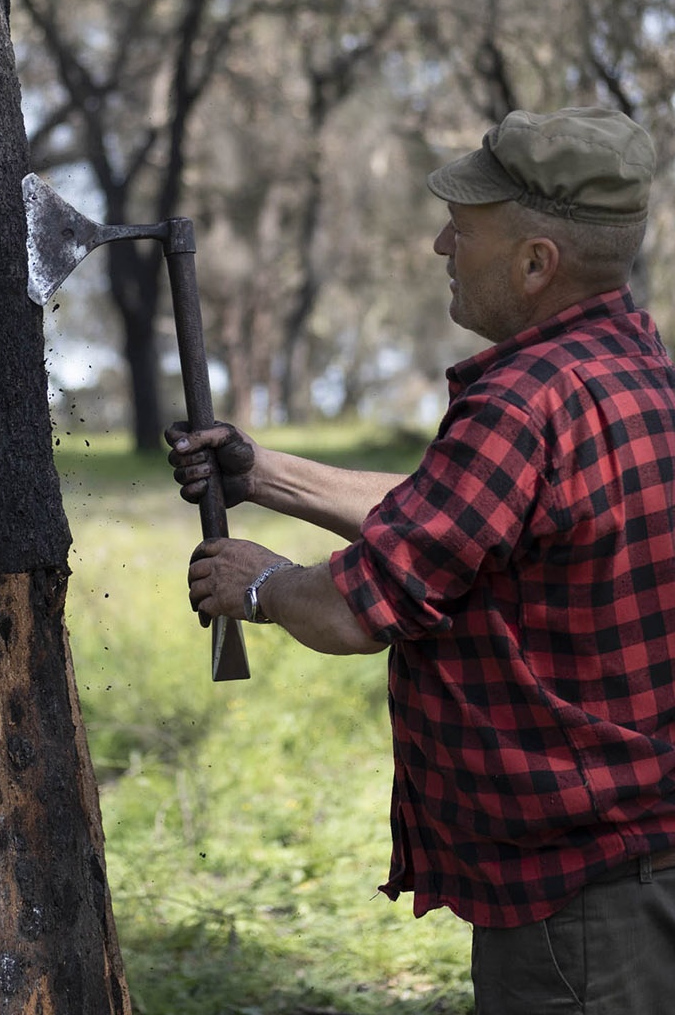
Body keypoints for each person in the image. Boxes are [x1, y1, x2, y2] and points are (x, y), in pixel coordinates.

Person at [166, 106, 675, 1015]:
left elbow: (351, 615)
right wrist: (262, 471)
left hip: (577, 909)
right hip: (641, 867)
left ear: (534, 263)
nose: (443, 243)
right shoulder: (630, 365)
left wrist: (261, 584)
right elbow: (457, 518)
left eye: (464, 228)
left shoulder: (521, 404)